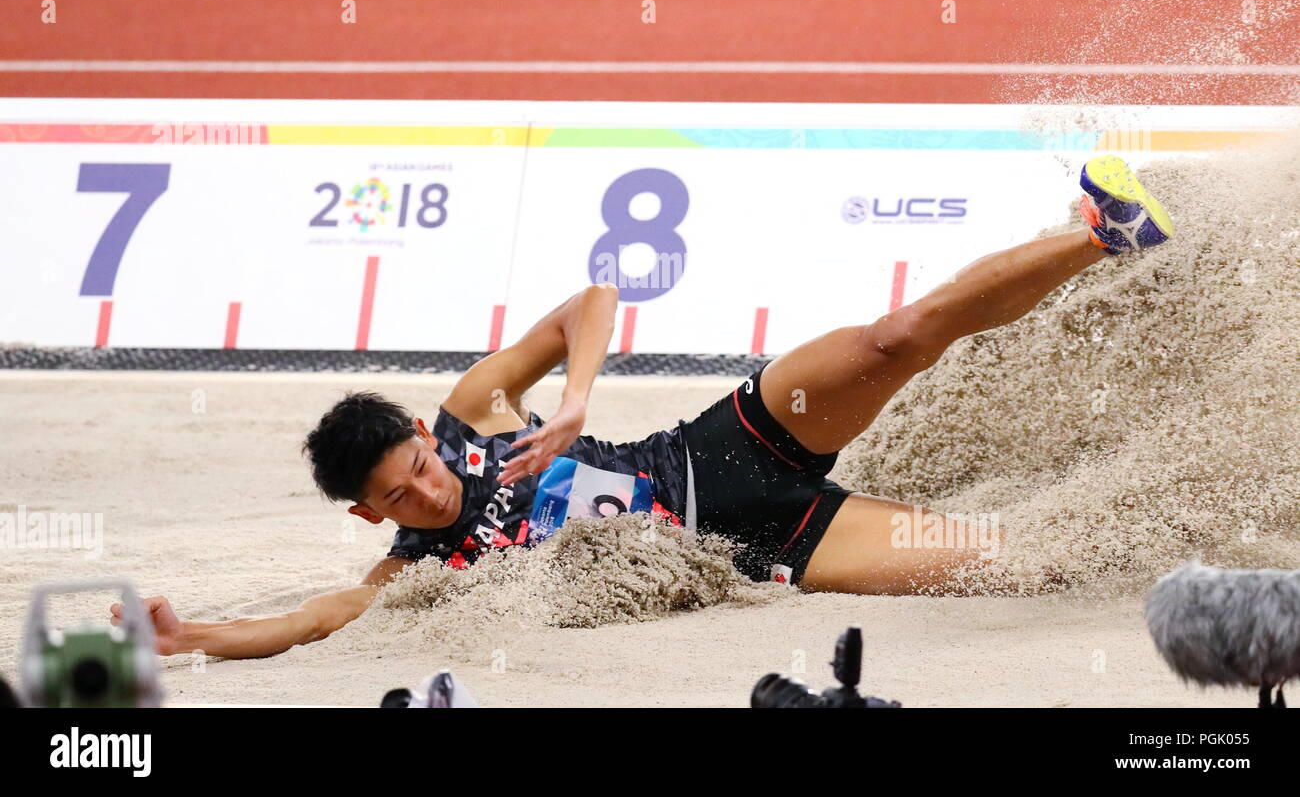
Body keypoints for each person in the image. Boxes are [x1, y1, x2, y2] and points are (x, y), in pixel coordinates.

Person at [113, 155, 1175, 659]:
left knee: (894, 337)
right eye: (405, 492)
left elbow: (594, 297)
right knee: (1011, 556)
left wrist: (572, 403)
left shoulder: (475, 410)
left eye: (424, 461)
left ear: (426, 435)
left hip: (728, 442)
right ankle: (1196, 524)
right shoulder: (411, 569)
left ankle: (1101, 228)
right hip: (767, 544)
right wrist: (188, 632)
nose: (431, 485)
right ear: (369, 511)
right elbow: (304, 617)